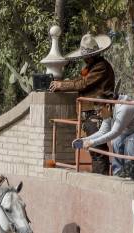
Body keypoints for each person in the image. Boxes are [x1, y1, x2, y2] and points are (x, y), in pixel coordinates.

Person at [49, 33, 116, 175]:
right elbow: (81, 81)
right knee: (93, 148)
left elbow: (83, 83)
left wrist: (62, 85)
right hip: (91, 113)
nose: (84, 59)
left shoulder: (101, 67)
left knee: (97, 149)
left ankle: (100, 179)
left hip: (97, 112)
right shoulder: (93, 67)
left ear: (90, 56)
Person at [74, 95, 134, 177]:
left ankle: (133, 173)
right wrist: (84, 140)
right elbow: (103, 132)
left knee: (131, 141)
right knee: (117, 141)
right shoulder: (110, 111)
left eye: (99, 111)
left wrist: (92, 142)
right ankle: (118, 173)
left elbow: (114, 132)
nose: (98, 114)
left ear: (107, 106)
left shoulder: (123, 109)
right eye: (96, 112)